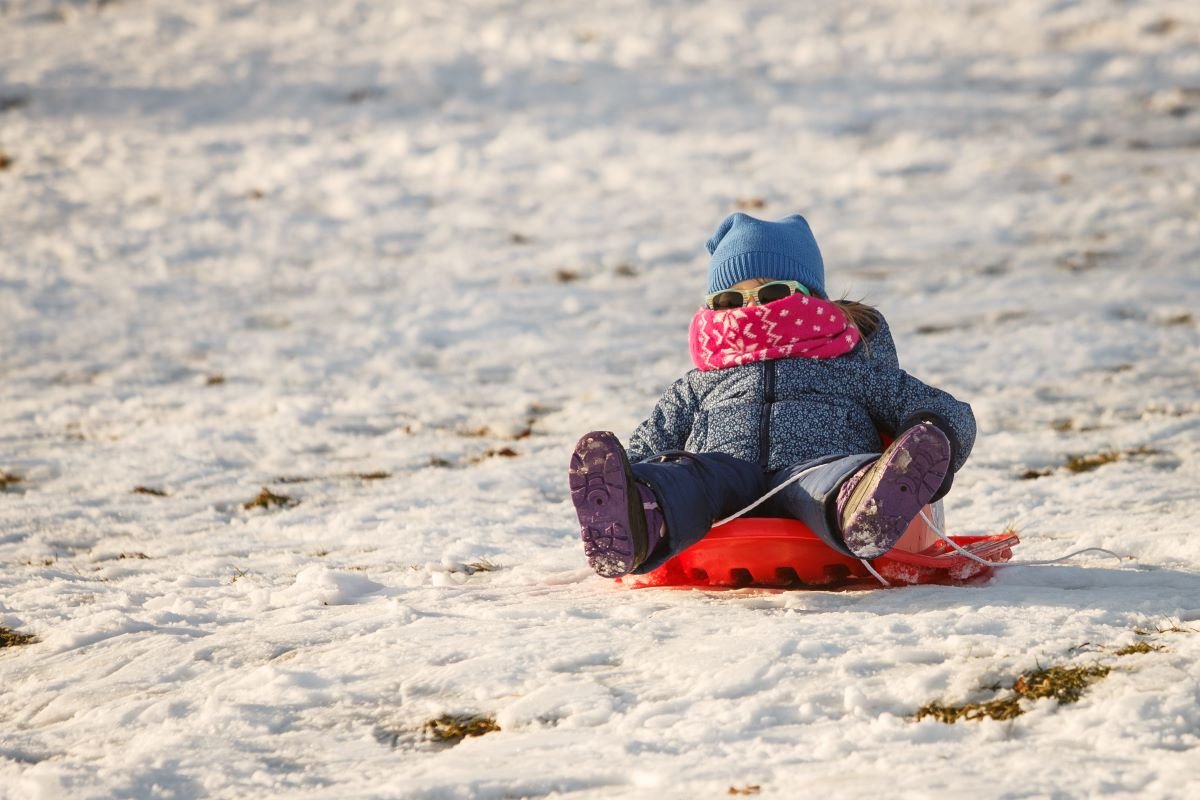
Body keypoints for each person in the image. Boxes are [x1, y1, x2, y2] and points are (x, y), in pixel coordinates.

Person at [569, 212, 976, 578]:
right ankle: (641, 519)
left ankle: (867, 510)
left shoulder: (851, 366)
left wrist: (927, 440)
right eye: (729, 300)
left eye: (772, 294)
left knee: (832, 478)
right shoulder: (701, 382)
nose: (752, 309)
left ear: (812, 297)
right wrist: (630, 480)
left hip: (814, 468)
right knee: (689, 476)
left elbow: (945, 410)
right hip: (726, 481)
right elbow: (648, 444)